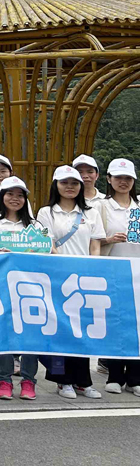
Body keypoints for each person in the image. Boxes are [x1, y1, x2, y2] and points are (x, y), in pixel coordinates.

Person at [37, 165, 105, 400]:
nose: (70, 187)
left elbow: (95, 244)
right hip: (57, 277)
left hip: (85, 278)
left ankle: (83, 382)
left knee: (82, 330)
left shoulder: (91, 212)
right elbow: (48, 243)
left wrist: (91, 267)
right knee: (60, 330)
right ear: (56, 185)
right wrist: (64, 265)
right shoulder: (46, 212)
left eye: (74, 183)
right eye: (64, 183)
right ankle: (62, 380)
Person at [0, 175, 41, 401]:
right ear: (2, 197)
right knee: (5, 334)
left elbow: (46, 252)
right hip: (2, 287)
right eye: (10, 194)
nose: (15, 199)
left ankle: (28, 381)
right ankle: (4, 381)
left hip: (31, 288)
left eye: (20, 195)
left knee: (31, 334)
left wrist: (35, 253)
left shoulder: (36, 226)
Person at [98, 159, 140, 394]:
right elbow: (93, 237)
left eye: (128, 178)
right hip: (113, 271)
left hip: (138, 271)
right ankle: (114, 375)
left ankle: (135, 377)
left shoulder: (139, 205)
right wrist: (109, 239)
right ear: (109, 179)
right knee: (116, 324)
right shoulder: (101, 207)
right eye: (118, 177)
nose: (123, 182)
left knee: (138, 327)